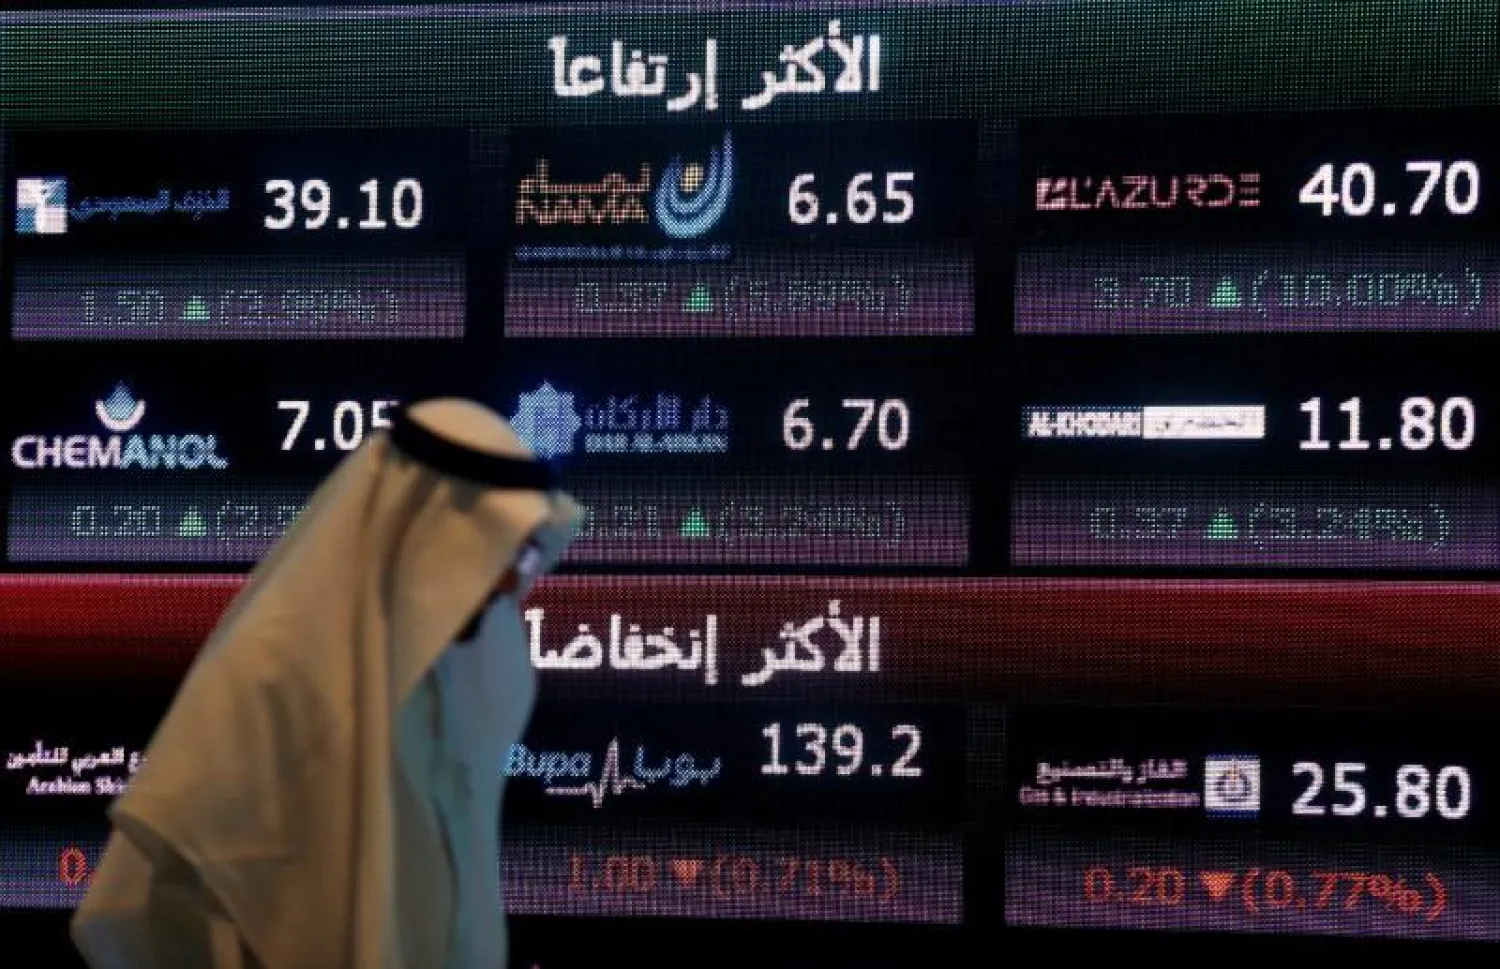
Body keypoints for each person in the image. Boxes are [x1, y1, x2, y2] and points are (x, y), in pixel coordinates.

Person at [71, 398, 583, 969]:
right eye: (499, 547)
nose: (513, 576)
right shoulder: (273, 672)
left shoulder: (454, 671)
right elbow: (167, 894)